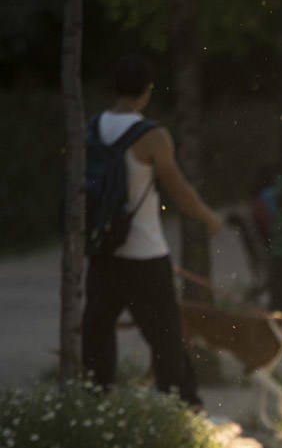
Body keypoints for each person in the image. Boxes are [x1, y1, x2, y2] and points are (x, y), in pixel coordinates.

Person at [82, 54, 223, 408]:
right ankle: (184, 410)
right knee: (166, 337)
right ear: (146, 92)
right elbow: (179, 191)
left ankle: (94, 408)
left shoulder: (90, 128)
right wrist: (209, 217)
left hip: (102, 250)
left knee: (98, 334)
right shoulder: (152, 136)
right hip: (145, 254)